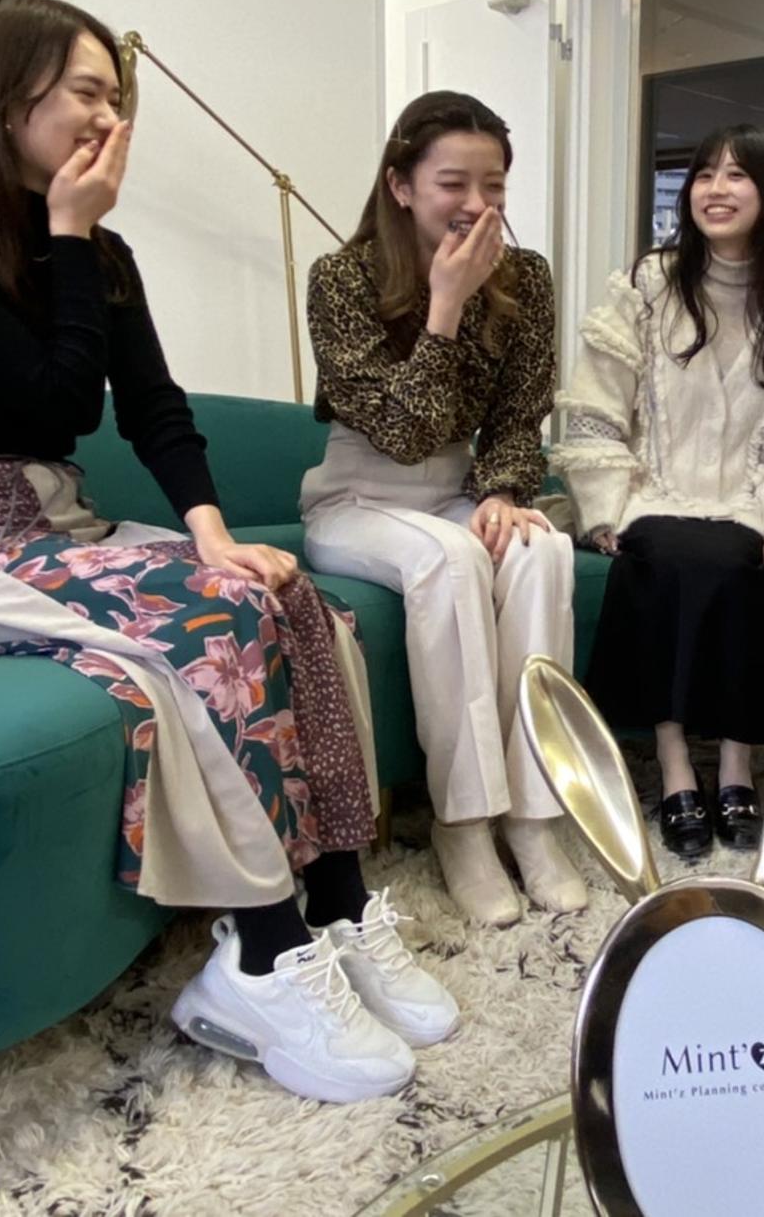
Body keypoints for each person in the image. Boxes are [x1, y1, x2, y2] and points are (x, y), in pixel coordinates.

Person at [0, 0, 457, 1107]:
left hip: (57, 526)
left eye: (116, 98)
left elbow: (153, 408)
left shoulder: (102, 251)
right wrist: (69, 237)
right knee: (206, 629)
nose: (108, 118)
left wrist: (215, 535)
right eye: (87, 92)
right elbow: (56, 400)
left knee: (296, 602)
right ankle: (260, 955)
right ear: (4, 93)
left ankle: (337, 904)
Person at [301, 91, 586, 926]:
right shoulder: (341, 279)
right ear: (400, 185)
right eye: (452, 183)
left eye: (493, 185)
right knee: (450, 558)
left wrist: (501, 491)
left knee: (541, 549)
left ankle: (534, 814)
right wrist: (447, 304)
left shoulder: (526, 277)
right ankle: (462, 822)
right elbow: (402, 431)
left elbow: (521, 412)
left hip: (460, 490)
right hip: (359, 495)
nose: (476, 204)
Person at [556, 125, 764, 857]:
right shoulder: (647, 286)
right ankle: (673, 763)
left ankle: (734, 761)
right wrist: (605, 507)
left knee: (729, 560)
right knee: (666, 554)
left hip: (750, 501)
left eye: (736, 175)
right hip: (653, 493)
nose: (716, 190)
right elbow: (596, 407)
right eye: (703, 174)